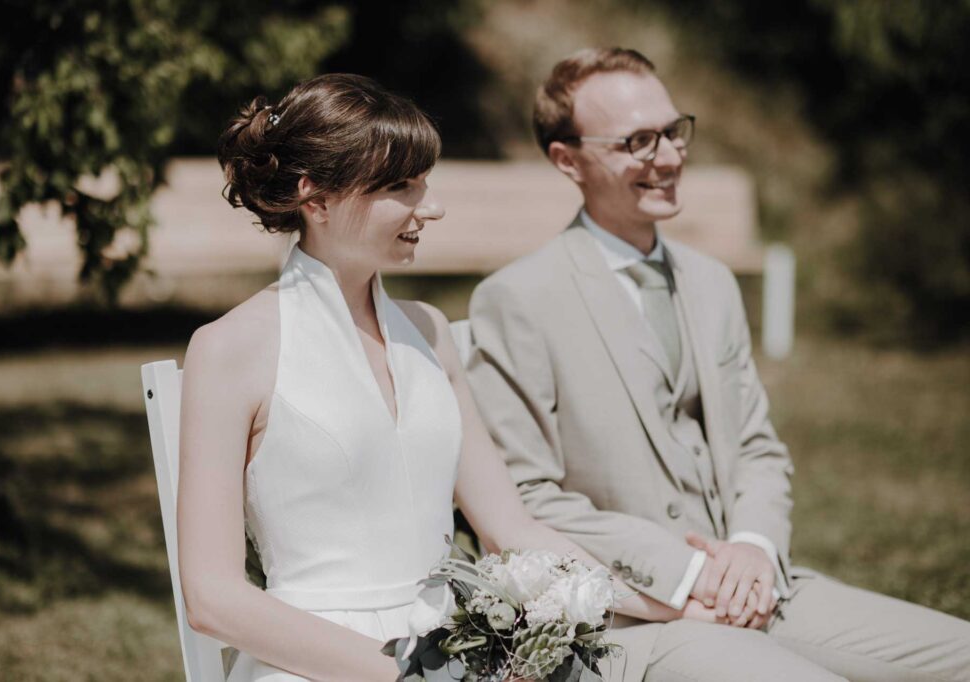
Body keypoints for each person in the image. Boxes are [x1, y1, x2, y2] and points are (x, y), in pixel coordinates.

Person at [176, 73, 717, 682]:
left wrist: (673, 604)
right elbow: (213, 599)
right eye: (401, 186)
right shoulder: (229, 349)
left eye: (425, 183)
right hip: (314, 663)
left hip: (461, 651)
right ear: (317, 198)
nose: (430, 207)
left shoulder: (429, 330)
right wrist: (411, 674)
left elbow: (511, 530)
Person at [465, 47, 970, 682]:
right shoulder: (519, 298)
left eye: (673, 131)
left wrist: (754, 549)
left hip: (758, 587)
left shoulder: (711, 282)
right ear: (568, 160)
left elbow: (756, 445)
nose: (670, 157)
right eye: (638, 142)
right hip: (632, 617)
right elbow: (528, 498)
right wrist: (689, 574)